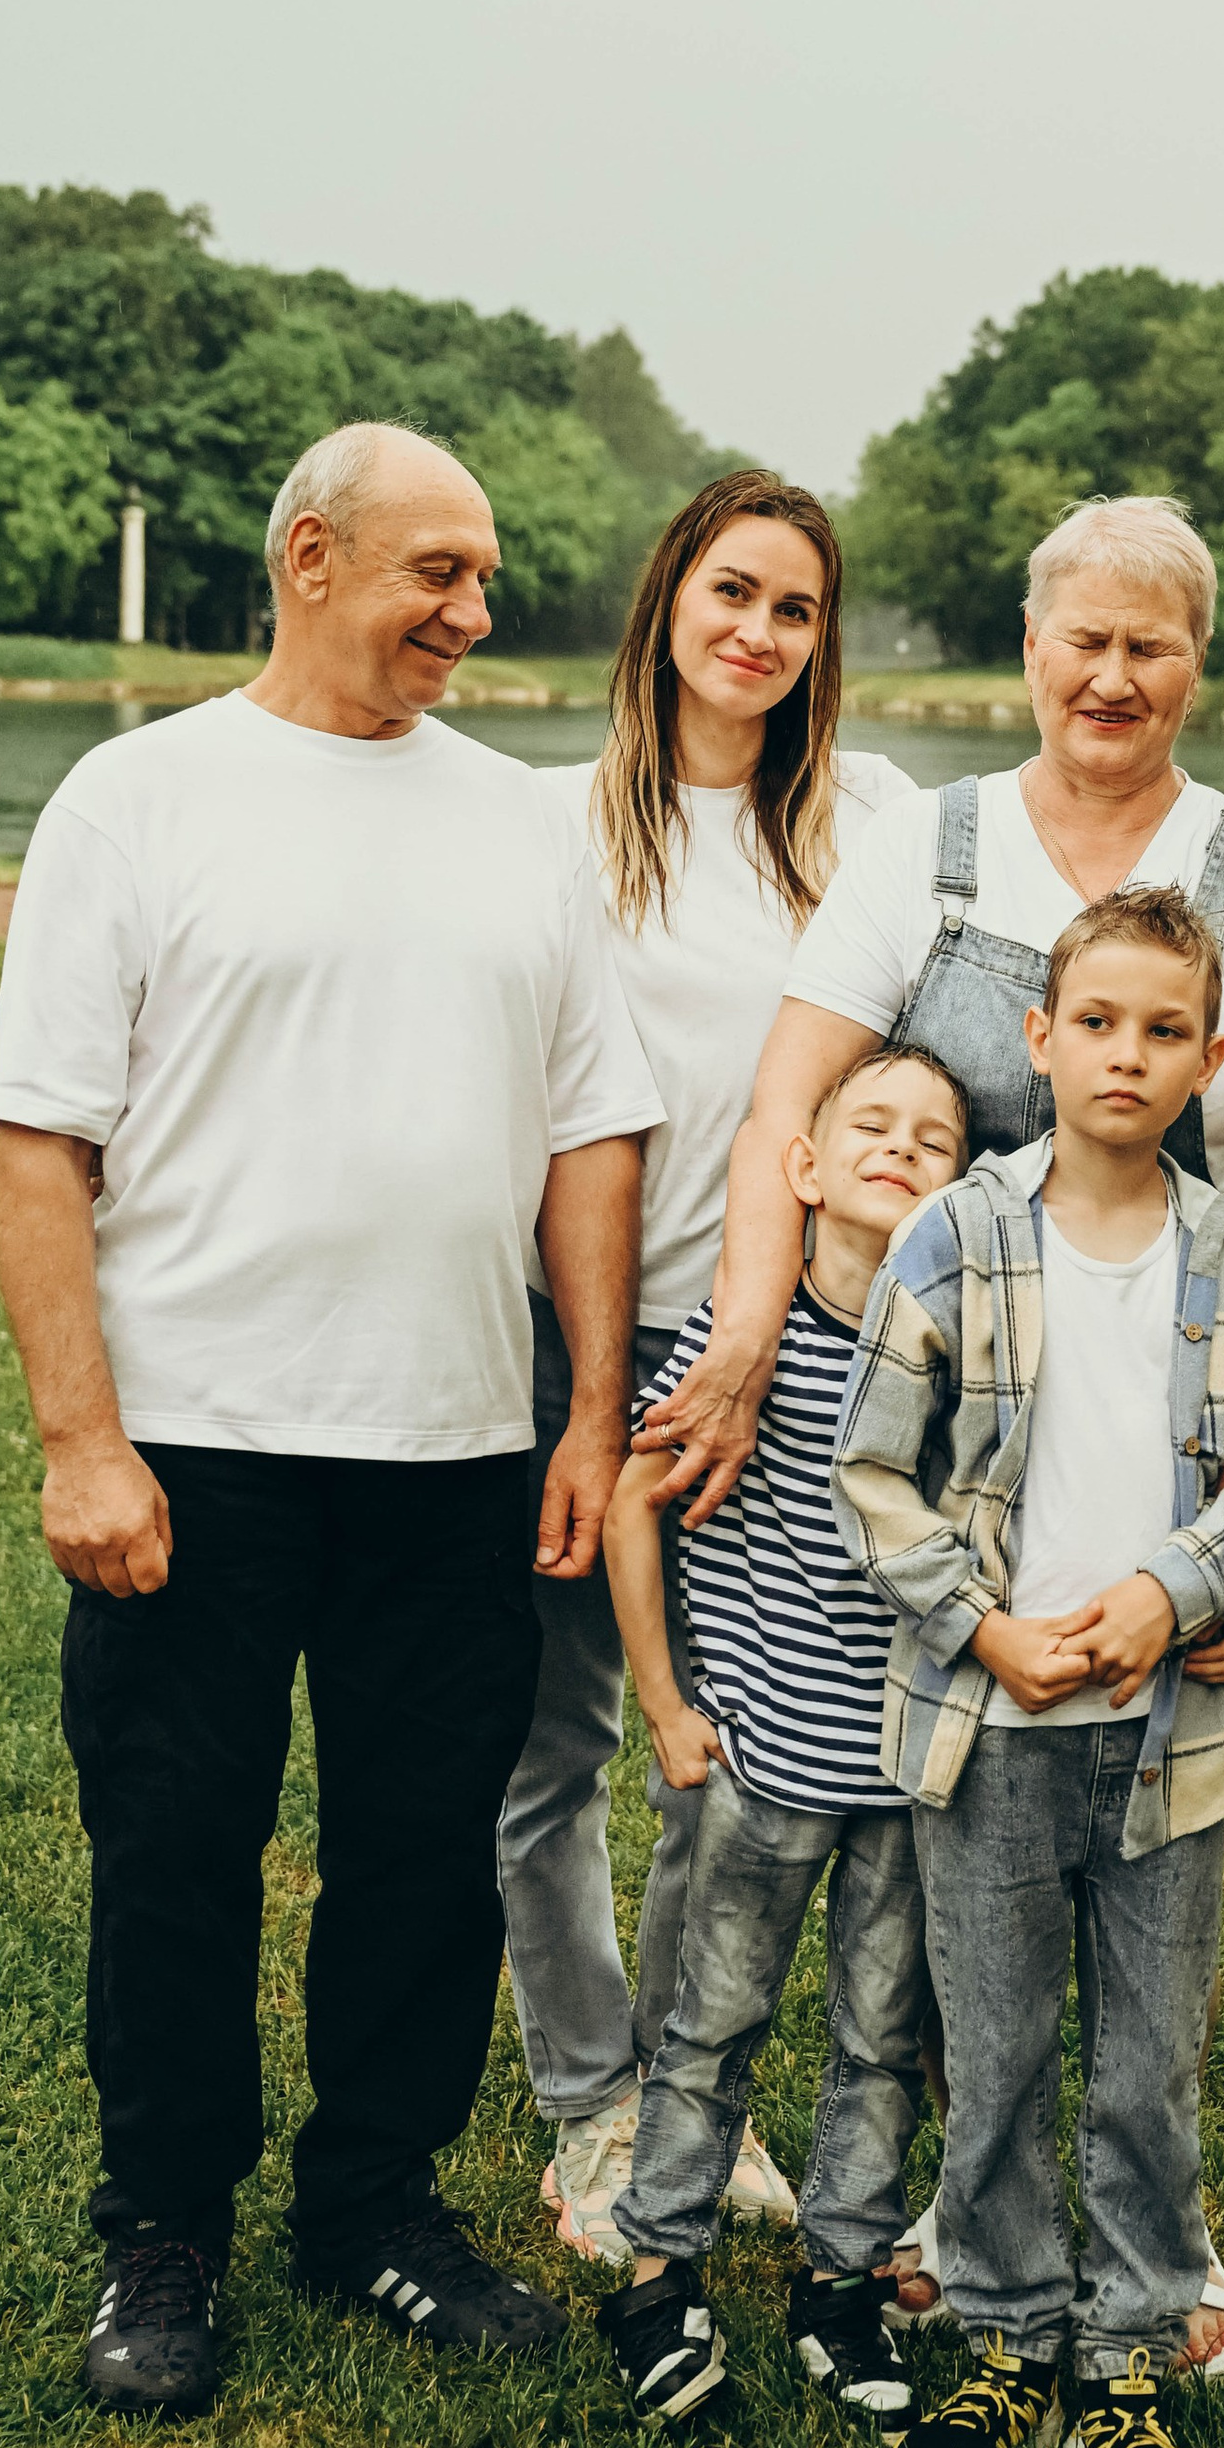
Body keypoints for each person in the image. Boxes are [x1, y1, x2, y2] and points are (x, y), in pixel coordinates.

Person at [638, 493, 1224, 2368]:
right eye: (1080, 638)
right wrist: (737, 1341)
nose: (1111, 677)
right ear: (1028, 642)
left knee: (1145, 1864)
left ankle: (1153, 2252)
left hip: (1156, 1422)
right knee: (949, 1853)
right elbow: (783, 1110)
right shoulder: (925, 845)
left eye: (1152, 645)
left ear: (1197, 667)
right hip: (943, 1432)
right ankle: (959, 2238)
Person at [0, 423, 663, 2418]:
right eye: (434, 573)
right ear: (308, 554)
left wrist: (587, 1412)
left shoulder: (526, 822)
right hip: (191, 1440)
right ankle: (163, 2233)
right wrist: (79, 1440)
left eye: (482, 577)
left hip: (453, 1438)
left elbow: (589, 1136)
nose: (471, 613)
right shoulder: (140, 797)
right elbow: (41, 1148)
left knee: (420, 1850)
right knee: (175, 1846)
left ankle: (373, 2203)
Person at [497, 472, 920, 2267]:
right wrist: (591, 1377)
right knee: (549, 1737)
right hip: (571, 1333)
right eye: (732, 591)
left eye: (797, 609)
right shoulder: (543, 828)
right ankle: (593, 2105)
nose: (758, 632)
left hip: (785, 1344)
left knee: (718, 1736)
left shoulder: (876, 823)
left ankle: (695, 2096)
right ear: (669, 594)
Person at [832, 886, 1224, 2448]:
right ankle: (1011, 2334)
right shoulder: (956, 1232)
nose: (1127, 1053)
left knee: (1151, 2064)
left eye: (1166, 1030)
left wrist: (1195, 1596)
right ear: (1041, 1037)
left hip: (1169, 1740)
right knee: (1004, 2049)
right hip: (993, 1731)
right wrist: (983, 1629)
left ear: (1208, 1060)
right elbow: (873, 1472)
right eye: (1098, 1021)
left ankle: (1134, 2360)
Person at [589, 1045, 970, 2436]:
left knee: (882, 2038)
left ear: (962, 1185)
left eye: (934, 1137)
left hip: (912, 1778)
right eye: (870, 1122)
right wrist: (665, 1698)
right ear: (800, 1166)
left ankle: (841, 2277)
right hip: (758, 1764)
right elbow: (637, 1500)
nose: (901, 1146)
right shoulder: (735, 1346)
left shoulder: (960, 1357)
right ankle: (657, 2272)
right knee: (709, 2025)